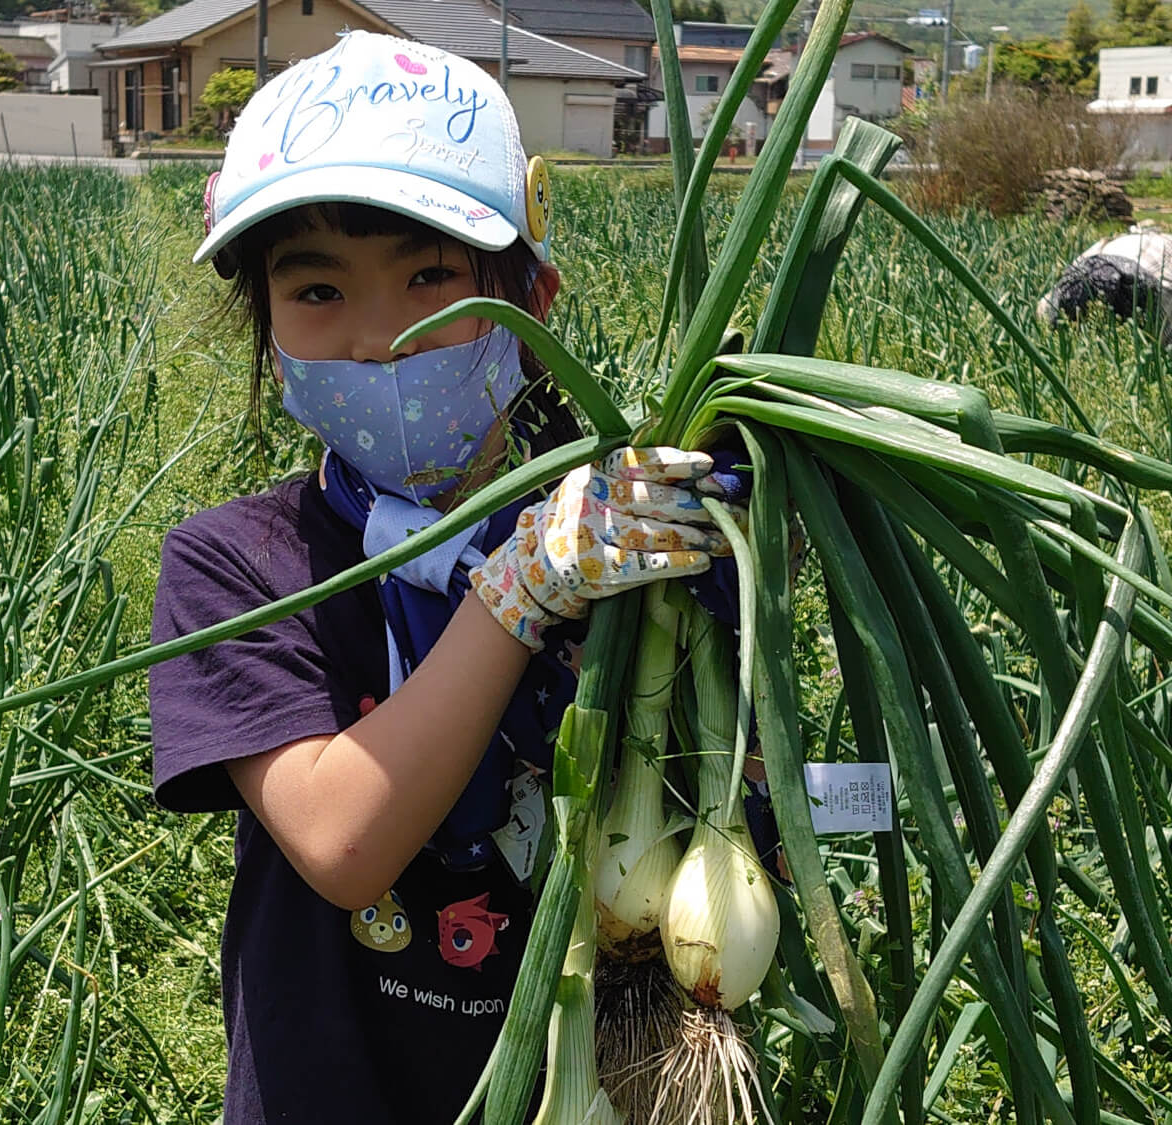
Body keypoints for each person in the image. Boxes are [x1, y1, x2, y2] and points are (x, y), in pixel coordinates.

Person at [147, 31, 738, 1124]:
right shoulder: (240, 565)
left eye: (429, 279)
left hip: (592, 1088)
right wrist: (521, 593)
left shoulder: (615, 535)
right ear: (267, 332)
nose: (380, 339)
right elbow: (343, 843)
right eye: (317, 290)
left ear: (535, 302)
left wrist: (743, 560)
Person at [1036, 226, 1172, 353]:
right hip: (1139, 249)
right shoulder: (1079, 271)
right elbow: (1044, 309)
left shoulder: (1159, 287)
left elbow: (1161, 342)